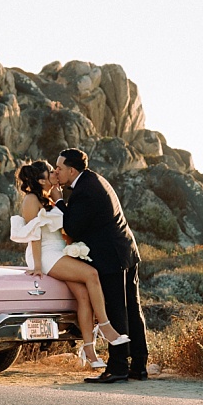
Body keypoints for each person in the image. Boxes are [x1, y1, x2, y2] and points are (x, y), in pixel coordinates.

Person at [10, 160, 129, 369]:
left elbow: (66, 229)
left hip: (59, 251)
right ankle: (105, 326)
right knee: (91, 274)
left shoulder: (50, 198)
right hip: (45, 253)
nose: (56, 173)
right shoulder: (30, 199)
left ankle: (90, 352)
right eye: (51, 171)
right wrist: (38, 266)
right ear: (40, 179)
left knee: (83, 296)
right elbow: (34, 236)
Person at [53, 148, 149, 383]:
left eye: (59, 168)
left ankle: (117, 368)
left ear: (72, 170)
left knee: (117, 310)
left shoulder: (84, 190)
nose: (56, 171)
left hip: (111, 257)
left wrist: (57, 200)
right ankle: (138, 366)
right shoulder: (94, 179)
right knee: (132, 310)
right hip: (125, 251)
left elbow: (73, 228)